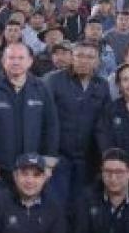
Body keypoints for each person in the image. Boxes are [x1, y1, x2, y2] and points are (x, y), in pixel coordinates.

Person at [0, 42, 59, 193]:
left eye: (21, 58)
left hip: (33, 168)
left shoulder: (41, 88)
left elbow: (51, 127)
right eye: (11, 57)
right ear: (3, 61)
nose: (15, 62)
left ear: (30, 61)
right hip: (0, 169)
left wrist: (48, 163)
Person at [45, 41, 112, 204]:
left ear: (97, 62)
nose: (84, 61)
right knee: (57, 205)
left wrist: (105, 156)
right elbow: (44, 120)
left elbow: (104, 124)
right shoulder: (53, 81)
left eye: (90, 57)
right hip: (59, 158)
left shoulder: (102, 85)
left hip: (89, 159)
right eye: (79, 56)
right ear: (71, 58)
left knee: (82, 206)